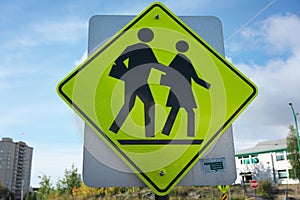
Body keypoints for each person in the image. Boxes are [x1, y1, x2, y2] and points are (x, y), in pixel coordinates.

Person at [109, 28, 158, 137]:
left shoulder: (134, 47)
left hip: (132, 80)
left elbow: (154, 64)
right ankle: (149, 134)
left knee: (128, 106)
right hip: (138, 81)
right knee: (149, 104)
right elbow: (155, 64)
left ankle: (113, 129)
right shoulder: (144, 48)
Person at [161, 40, 211, 137]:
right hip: (182, 90)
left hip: (180, 90)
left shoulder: (179, 59)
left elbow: (193, 77)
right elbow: (194, 78)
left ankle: (167, 132)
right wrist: (208, 86)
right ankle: (189, 134)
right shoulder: (182, 59)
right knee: (187, 112)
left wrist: (208, 86)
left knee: (178, 111)